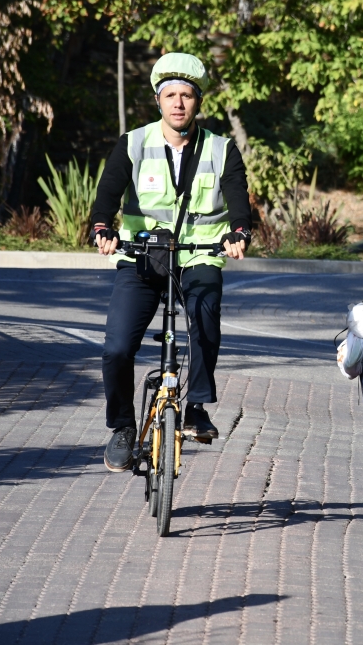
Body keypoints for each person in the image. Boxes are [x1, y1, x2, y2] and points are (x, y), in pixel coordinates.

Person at [91, 52, 252, 472]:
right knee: (117, 346)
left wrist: (239, 233)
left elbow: (238, 199)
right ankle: (123, 428)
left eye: (187, 96)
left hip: (199, 254)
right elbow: (108, 193)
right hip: (143, 255)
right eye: (171, 95)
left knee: (205, 318)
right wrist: (101, 228)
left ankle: (196, 406)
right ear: (158, 101)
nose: (178, 103)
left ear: (198, 102)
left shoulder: (221, 149)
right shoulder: (134, 142)